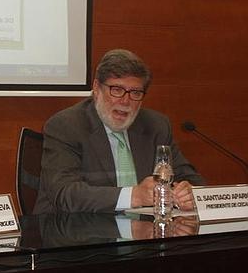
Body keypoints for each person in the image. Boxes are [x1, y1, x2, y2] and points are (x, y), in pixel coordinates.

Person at [34, 49, 204, 214]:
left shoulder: (156, 126)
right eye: (116, 90)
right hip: (76, 234)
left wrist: (187, 192)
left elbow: (191, 179)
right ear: (96, 88)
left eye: (135, 92)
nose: (125, 101)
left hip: (143, 235)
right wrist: (135, 196)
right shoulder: (66, 126)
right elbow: (65, 193)